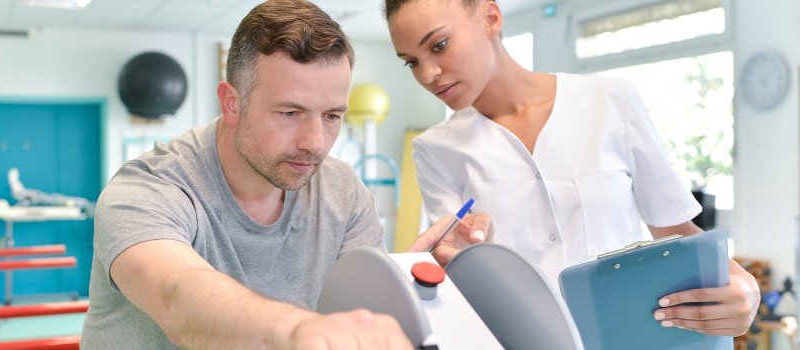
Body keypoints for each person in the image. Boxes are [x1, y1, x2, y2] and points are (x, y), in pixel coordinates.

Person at [80, 0, 489, 348]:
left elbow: (361, 311)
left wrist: (414, 280)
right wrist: (298, 330)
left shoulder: (343, 192)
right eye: (290, 113)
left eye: (331, 116)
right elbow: (177, 297)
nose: (315, 142)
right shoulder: (145, 190)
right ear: (232, 104)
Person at [386, 0, 759, 337]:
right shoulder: (435, 150)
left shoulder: (612, 102)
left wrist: (746, 288)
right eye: (411, 62)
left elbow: (676, 231)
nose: (427, 74)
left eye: (438, 45)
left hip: (633, 333)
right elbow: (457, 267)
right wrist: (463, 261)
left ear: (491, 17)